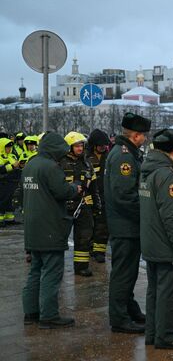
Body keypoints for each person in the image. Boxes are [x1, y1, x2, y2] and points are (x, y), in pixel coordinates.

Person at [21, 132, 81, 329]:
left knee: (35, 271)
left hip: (33, 227)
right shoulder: (50, 167)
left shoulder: (30, 164)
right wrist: (75, 188)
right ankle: (49, 316)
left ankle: (31, 313)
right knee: (52, 272)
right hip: (50, 227)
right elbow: (62, 191)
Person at [140, 129, 173, 350]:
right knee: (168, 294)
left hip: (151, 243)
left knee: (154, 292)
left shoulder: (146, 172)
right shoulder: (167, 176)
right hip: (165, 246)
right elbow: (171, 216)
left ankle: (153, 334)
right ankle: (166, 336)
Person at [105, 112, 151, 333]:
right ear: (135, 136)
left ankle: (129, 309)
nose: (145, 139)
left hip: (127, 225)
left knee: (128, 271)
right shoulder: (124, 156)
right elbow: (124, 196)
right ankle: (119, 318)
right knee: (123, 273)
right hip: (126, 226)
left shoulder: (127, 153)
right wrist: (145, 215)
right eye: (143, 135)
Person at [60, 132, 101, 277]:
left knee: (84, 237)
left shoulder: (87, 163)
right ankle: (57, 267)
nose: (80, 148)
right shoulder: (60, 162)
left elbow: (94, 187)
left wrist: (96, 205)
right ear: (69, 147)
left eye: (81, 145)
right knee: (60, 238)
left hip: (83, 205)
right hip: (64, 206)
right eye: (77, 145)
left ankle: (81, 266)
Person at [86, 129, 110, 263]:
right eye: (100, 145)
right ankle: (90, 246)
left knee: (103, 225)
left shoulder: (109, 157)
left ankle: (99, 251)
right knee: (90, 224)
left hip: (104, 195)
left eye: (105, 145)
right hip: (90, 195)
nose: (103, 147)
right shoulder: (86, 158)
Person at [0, 136, 21, 223]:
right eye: (7, 147)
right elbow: (1, 169)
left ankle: (9, 218)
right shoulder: (0, 157)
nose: (9, 148)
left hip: (12, 182)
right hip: (3, 182)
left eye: (10, 147)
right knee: (2, 200)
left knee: (10, 201)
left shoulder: (12, 156)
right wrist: (12, 166)